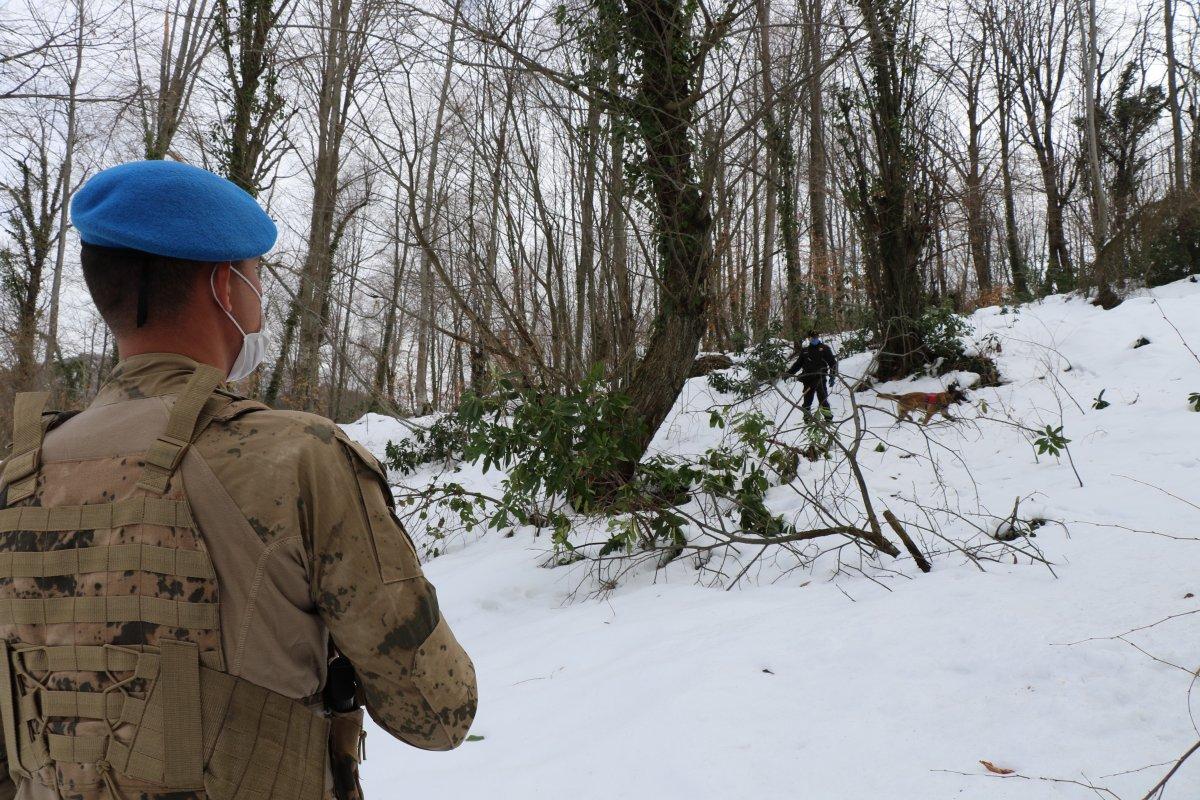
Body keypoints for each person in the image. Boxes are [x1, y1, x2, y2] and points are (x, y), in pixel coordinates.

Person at [0, 161, 476, 800]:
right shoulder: (298, 457)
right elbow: (438, 712)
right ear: (225, 285)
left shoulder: (15, 482)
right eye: (256, 276)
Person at [786, 330, 839, 419]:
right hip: (807, 379)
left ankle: (828, 419)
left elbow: (832, 363)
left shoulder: (825, 349)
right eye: (812, 337)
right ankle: (807, 420)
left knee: (823, 400)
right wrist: (789, 373)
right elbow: (798, 364)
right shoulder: (805, 351)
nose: (815, 339)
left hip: (820, 378)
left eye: (816, 337)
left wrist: (832, 376)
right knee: (807, 402)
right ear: (809, 338)